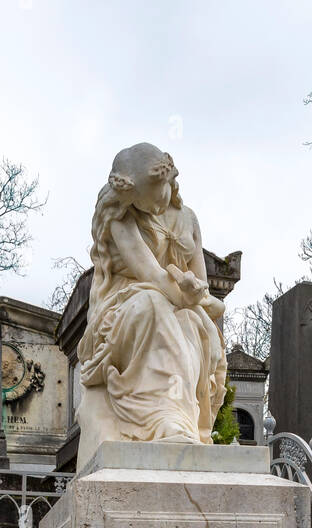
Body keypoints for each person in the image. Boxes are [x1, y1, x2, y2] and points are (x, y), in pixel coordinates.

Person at [77, 143, 227, 469]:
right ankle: (164, 419)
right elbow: (153, 276)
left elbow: (203, 289)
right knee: (154, 304)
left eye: (163, 193)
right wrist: (187, 295)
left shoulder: (188, 219)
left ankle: (180, 418)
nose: (159, 205)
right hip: (125, 305)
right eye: (149, 201)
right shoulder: (119, 218)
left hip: (179, 304)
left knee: (194, 324)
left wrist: (197, 295)